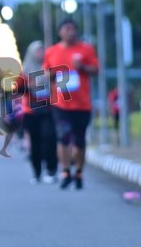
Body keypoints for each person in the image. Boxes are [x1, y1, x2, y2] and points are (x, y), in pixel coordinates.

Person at [43, 18, 99, 190]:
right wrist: (51, 75)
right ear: (60, 32)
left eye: (73, 29)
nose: (70, 32)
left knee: (80, 141)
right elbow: (45, 72)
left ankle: (79, 172)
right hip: (61, 104)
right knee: (63, 136)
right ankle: (66, 171)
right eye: (66, 29)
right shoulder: (52, 51)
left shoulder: (86, 49)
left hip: (82, 104)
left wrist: (82, 67)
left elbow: (96, 70)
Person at [19, 41, 57, 184]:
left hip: (49, 109)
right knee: (35, 143)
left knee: (50, 138)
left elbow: (60, 84)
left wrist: (50, 79)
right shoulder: (25, 71)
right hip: (31, 111)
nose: (41, 53)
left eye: (42, 50)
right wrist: (32, 85)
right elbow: (18, 90)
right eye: (38, 51)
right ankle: (37, 172)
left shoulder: (50, 68)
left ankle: (51, 170)